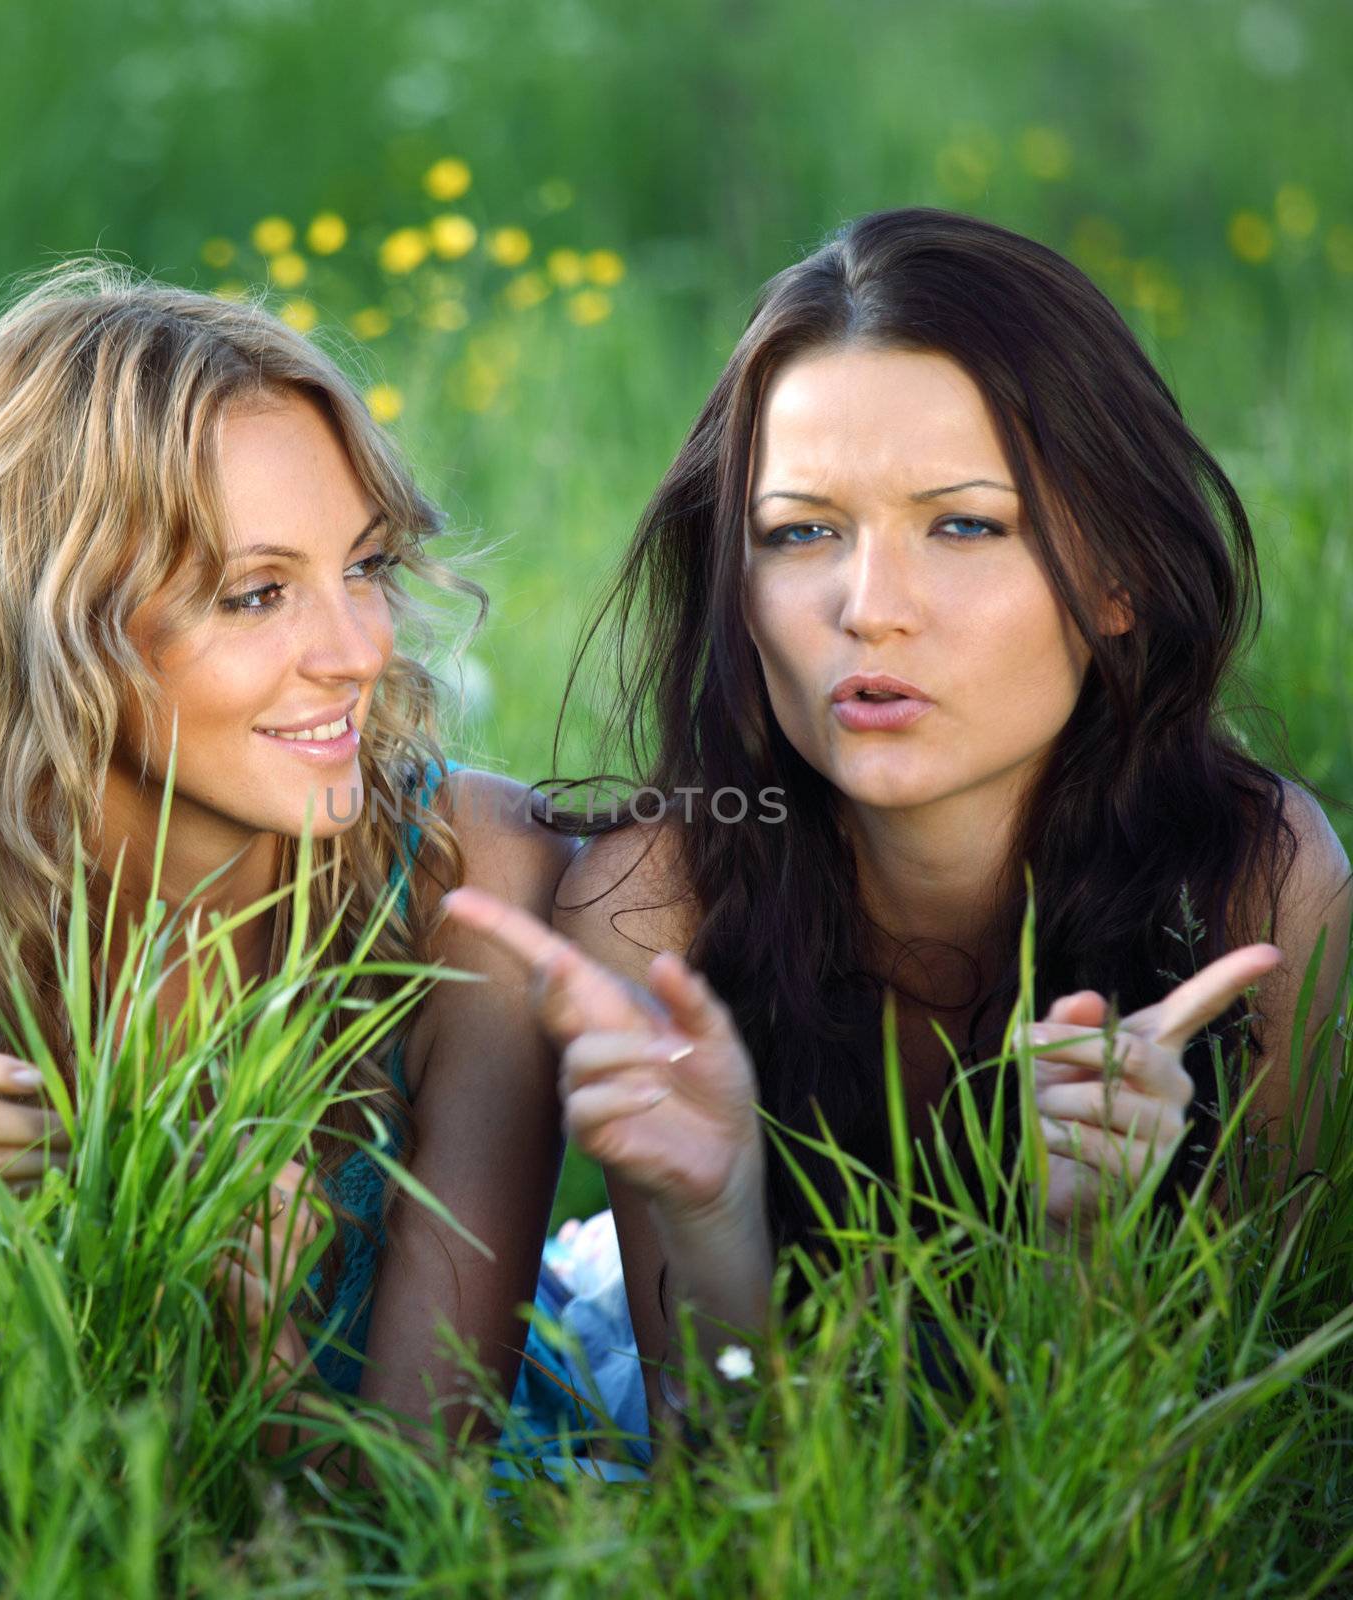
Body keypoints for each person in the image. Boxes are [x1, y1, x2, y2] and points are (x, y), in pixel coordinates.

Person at [446, 208, 1352, 1437]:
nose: (868, 609)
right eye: (800, 531)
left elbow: (1263, 1471)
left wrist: (1084, 1257)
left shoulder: (1258, 883)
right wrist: (713, 1226)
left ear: (1116, 575)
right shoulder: (654, 905)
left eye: (966, 524)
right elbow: (723, 1482)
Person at [0, 263, 571, 1441]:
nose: (356, 649)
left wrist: (264, 1364)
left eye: (367, 566)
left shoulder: (472, 881)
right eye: (255, 594)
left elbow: (418, 1502)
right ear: (53, 628)